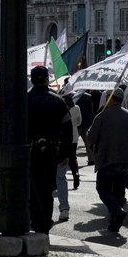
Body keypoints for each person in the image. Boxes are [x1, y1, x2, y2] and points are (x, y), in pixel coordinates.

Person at [88, 87, 128, 233]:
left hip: (107, 159)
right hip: (125, 160)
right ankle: (115, 222)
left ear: (110, 99)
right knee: (119, 191)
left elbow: (91, 137)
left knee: (103, 188)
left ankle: (115, 210)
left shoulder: (102, 116)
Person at [25, 67, 71, 233]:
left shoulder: (25, 100)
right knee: (48, 190)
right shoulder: (58, 101)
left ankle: (35, 220)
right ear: (46, 79)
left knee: (32, 188)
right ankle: (45, 222)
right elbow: (67, 129)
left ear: (31, 80)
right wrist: (65, 154)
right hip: (51, 152)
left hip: (29, 151)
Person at [55, 93, 81, 222]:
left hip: (41, 150)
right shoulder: (66, 108)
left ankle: (42, 211)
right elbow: (69, 130)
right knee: (61, 178)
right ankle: (64, 208)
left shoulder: (31, 100)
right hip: (62, 147)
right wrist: (66, 154)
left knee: (42, 181)